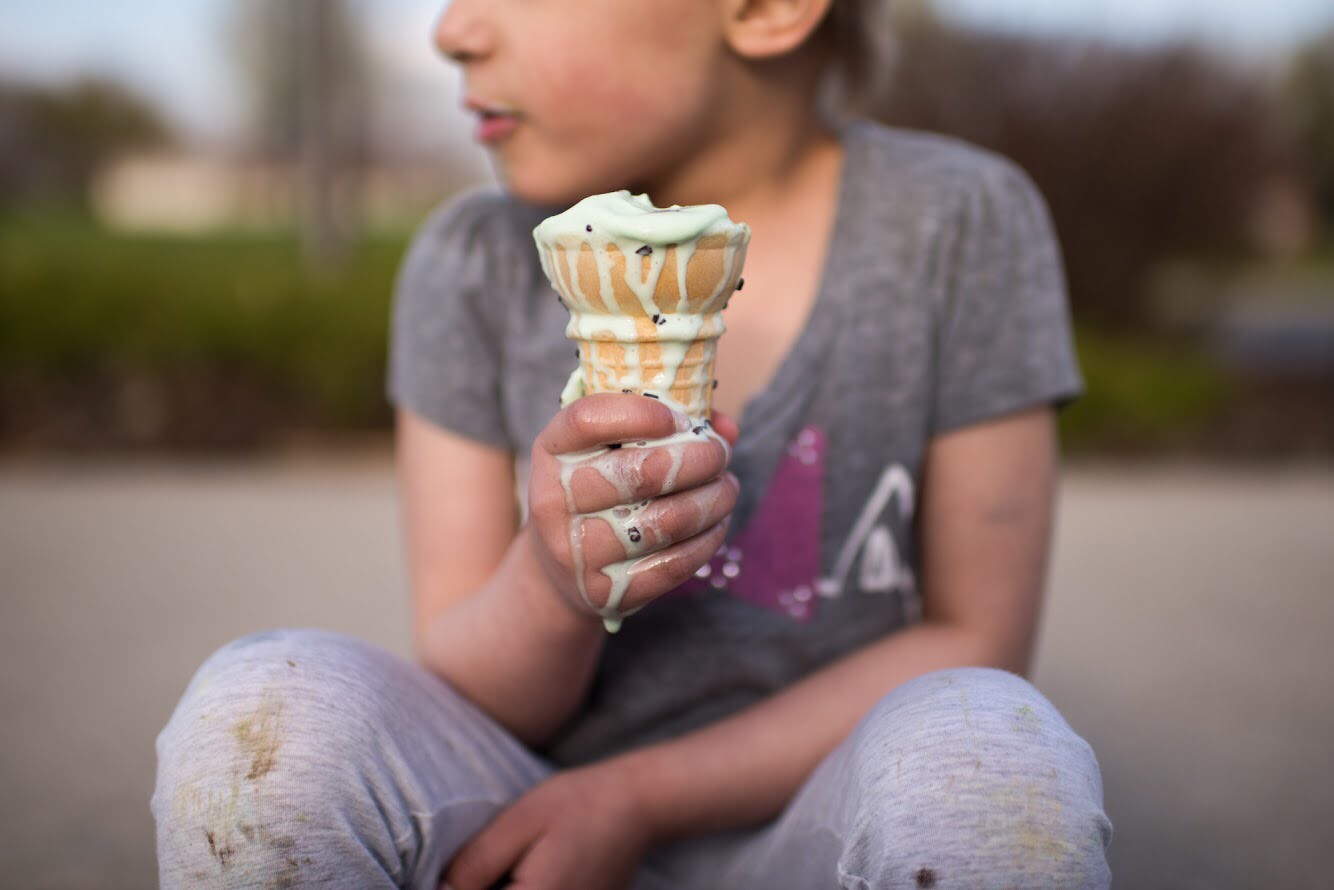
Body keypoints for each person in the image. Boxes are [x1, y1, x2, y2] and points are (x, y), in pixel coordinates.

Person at [153, 0, 1113, 886]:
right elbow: (475, 685)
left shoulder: (957, 224)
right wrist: (551, 578)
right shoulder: (473, 262)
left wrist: (637, 796)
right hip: (522, 812)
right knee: (266, 713)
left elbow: (976, 637)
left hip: (821, 829)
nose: (452, 29)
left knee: (987, 751)